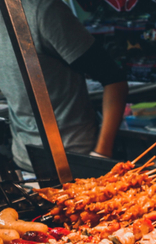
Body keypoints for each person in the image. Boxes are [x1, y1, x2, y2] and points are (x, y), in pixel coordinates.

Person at [0, 0, 127, 171]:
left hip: (75, 161)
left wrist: (101, 154)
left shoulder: (43, 12)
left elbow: (114, 80)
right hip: (24, 162)